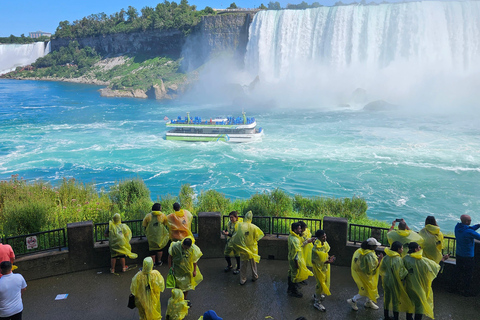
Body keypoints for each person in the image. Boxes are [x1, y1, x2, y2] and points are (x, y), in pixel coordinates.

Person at [403, 242, 448, 320]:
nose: (420, 248)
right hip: (420, 288)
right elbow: (437, 269)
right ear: (416, 249)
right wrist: (443, 259)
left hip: (409, 287)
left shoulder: (405, 258)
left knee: (410, 304)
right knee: (419, 307)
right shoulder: (424, 261)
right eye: (419, 247)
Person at [347, 238, 383, 311]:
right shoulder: (369, 255)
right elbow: (372, 268)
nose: (377, 247)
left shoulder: (362, 251)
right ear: (372, 247)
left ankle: (369, 302)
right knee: (365, 290)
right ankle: (353, 300)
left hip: (362, 274)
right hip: (366, 275)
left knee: (370, 289)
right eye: (376, 245)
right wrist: (379, 260)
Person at [229, 211, 264, 285]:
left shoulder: (240, 226)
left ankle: (243, 279)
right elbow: (257, 237)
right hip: (252, 248)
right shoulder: (254, 227)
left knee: (243, 264)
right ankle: (254, 276)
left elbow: (237, 236)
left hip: (243, 247)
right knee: (253, 263)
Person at [379, 241, 411, 320]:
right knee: (395, 300)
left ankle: (386, 316)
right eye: (402, 248)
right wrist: (407, 273)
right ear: (398, 249)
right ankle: (395, 317)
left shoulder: (386, 257)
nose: (402, 250)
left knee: (386, 298)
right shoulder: (398, 259)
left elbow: (382, 268)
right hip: (395, 282)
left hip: (386, 280)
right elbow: (401, 273)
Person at [454, 214, 480, 296]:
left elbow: (469, 229)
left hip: (459, 254)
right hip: (468, 256)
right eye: (470, 220)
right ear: (466, 221)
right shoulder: (469, 232)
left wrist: (478, 225)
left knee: (458, 272)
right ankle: (466, 291)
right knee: (468, 275)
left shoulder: (457, 228)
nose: (471, 221)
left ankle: (454, 288)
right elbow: (477, 235)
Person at [311, 230, 336, 312]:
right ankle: (317, 302)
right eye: (323, 237)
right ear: (318, 238)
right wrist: (327, 261)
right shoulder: (315, 249)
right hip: (318, 268)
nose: (325, 238)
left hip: (325, 267)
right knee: (320, 284)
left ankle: (317, 295)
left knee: (323, 282)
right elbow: (316, 260)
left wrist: (329, 258)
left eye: (325, 236)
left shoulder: (325, 244)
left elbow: (325, 253)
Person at [287, 222, 313, 298]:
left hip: (291, 258)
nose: (301, 230)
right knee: (295, 275)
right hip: (295, 260)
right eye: (299, 228)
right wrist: (297, 263)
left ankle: (289, 289)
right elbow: (296, 253)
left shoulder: (291, 236)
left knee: (291, 273)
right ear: (295, 230)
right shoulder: (295, 240)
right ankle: (293, 291)